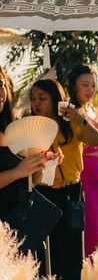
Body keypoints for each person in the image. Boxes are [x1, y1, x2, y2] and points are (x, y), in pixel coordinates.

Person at [31, 78, 98, 280]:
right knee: (45, 256)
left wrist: (80, 118)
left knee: (72, 253)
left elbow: (96, 140)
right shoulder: (31, 127)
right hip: (42, 194)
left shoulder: (70, 123)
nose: (37, 104)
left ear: (55, 99)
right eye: (33, 99)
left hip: (71, 193)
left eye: (42, 98)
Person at [68, 64, 98, 257]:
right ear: (74, 86)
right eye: (85, 85)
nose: (90, 90)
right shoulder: (71, 113)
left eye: (93, 85)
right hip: (84, 185)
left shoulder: (88, 111)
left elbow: (95, 140)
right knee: (90, 238)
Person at [0, 67, 52, 220]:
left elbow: (30, 183)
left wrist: (38, 164)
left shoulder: (12, 131)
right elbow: (18, 173)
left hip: (16, 224)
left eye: (0, 83)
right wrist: (17, 172)